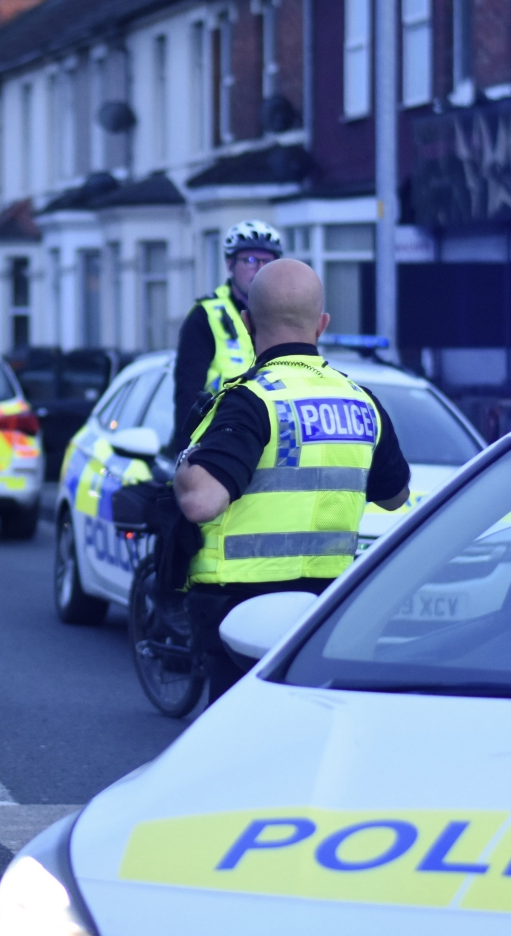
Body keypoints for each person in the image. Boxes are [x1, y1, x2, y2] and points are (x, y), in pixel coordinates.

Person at [173, 259, 411, 702]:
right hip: (323, 612)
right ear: (321, 325)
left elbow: (201, 501)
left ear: (247, 323)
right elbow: (396, 495)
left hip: (241, 616)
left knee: (235, 747)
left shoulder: (251, 400)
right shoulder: (362, 402)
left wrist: (187, 454)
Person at [171, 220, 284, 451]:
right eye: (251, 260)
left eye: (268, 261)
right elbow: (187, 392)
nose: (260, 268)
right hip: (219, 442)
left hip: (275, 443)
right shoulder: (206, 316)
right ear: (230, 264)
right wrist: (186, 451)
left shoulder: (286, 314)